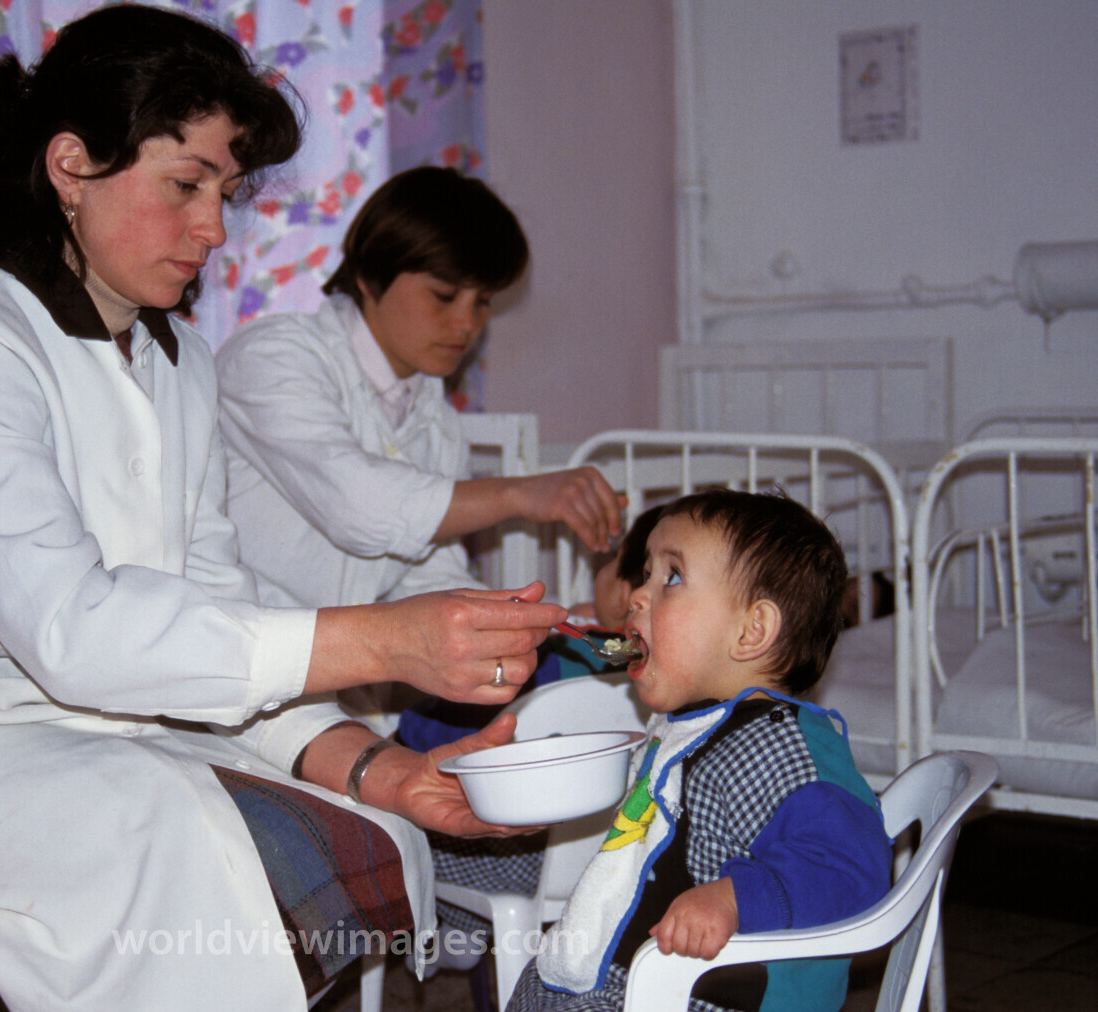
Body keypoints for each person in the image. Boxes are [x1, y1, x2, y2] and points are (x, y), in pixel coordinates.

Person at [0, 8, 568, 1011]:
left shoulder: (176, 365)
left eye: (228, 193)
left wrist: (376, 767)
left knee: (363, 823)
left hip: (62, 732)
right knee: (168, 828)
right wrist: (384, 642)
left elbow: (211, 608)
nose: (214, 227)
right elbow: (78, 628)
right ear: (71, 167)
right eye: (185, 186)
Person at [215, 166, 625, 732]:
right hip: (239, 685)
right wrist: (521, 493)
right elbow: (361, 508)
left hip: (346, 706)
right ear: (368, 276)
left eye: (482, 302)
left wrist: (556, 623)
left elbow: (427, 578)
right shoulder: (273, 357)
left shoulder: (436, 423)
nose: (466, 323)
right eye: (443, 295)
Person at [508, 489, 892, 1012]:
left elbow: (854, 869)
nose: (638, 596)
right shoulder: (691, 725)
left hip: (720, 995)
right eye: (644, 574)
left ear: (752, 630)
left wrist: (735, 899)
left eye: (671, 578)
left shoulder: (786, 745)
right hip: (647, 976)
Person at [396, 504, 663, 753]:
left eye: (615, 557)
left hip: (466, 744)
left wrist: (406, 734)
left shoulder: (556, 650)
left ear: (623, 597)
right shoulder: (662, 671)